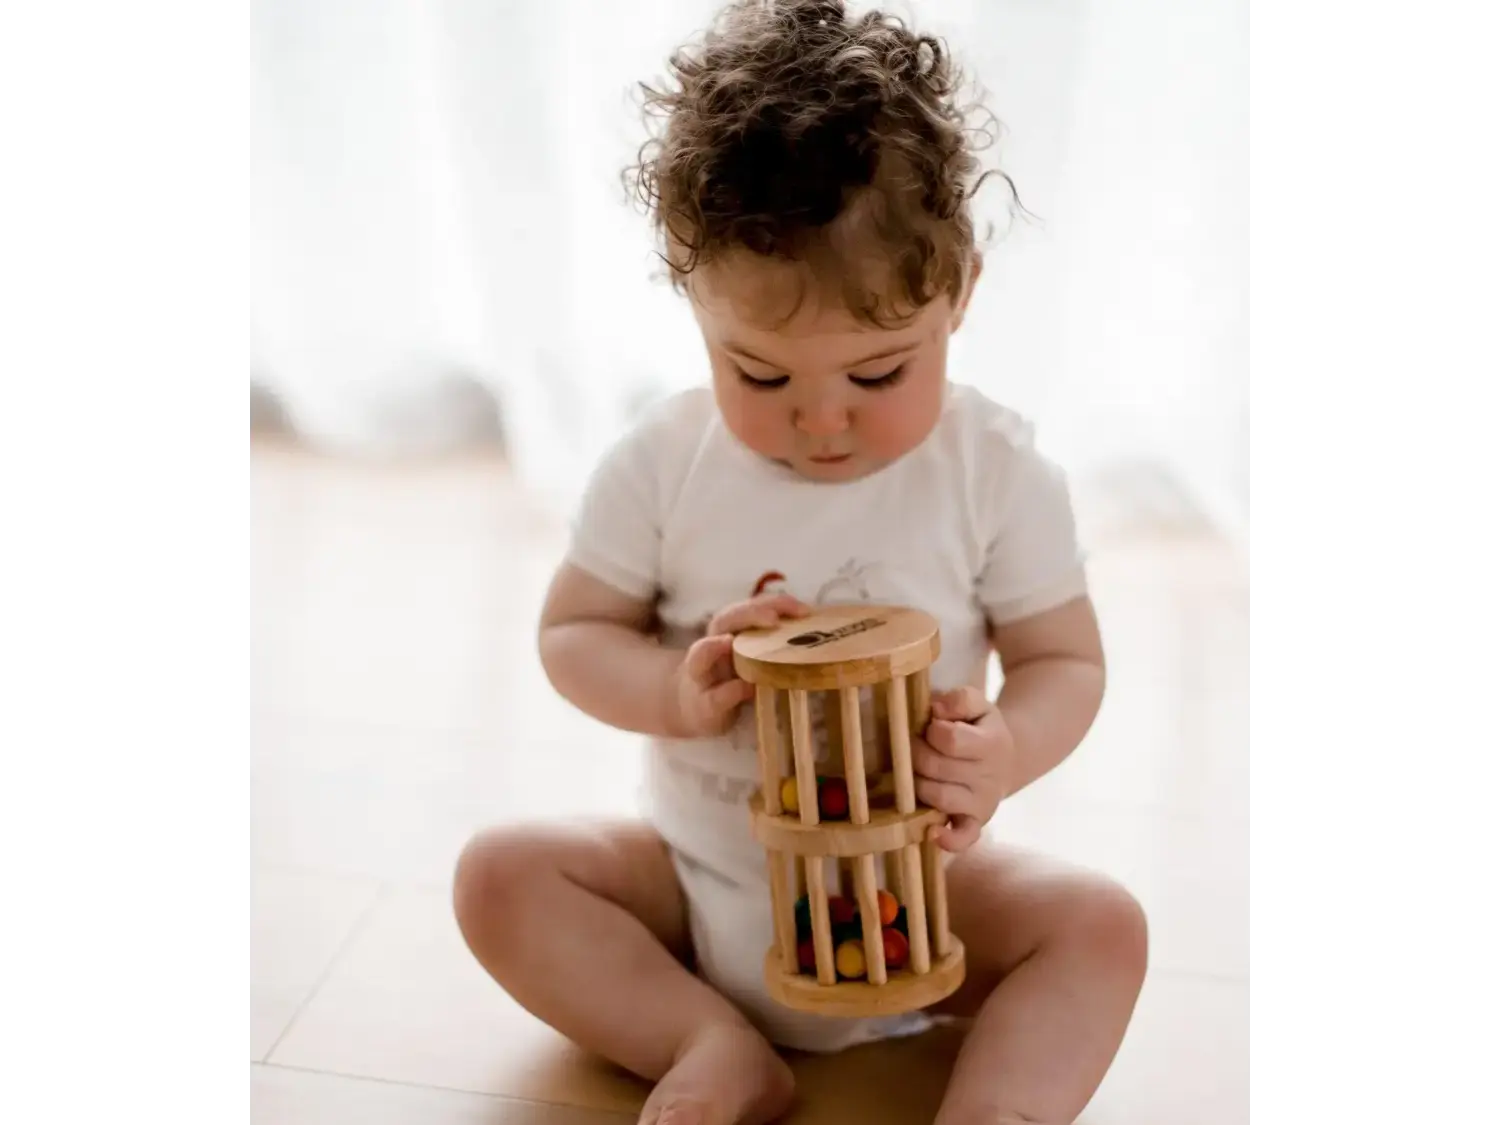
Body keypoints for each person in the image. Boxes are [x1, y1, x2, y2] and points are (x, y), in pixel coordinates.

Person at [453, 3, 1147, 1122]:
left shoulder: (996, 469)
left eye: (878, 376)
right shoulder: (665, 459)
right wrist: (673, 693)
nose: (822, 422)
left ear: (958, 290)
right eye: (761, 376)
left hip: (919, 889)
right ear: (696, 309)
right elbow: (572, 633)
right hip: (701, 877)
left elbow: (1068, 659)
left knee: (1102, 927)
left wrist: (1006, 749)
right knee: (501, 876)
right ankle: (706, 1040)